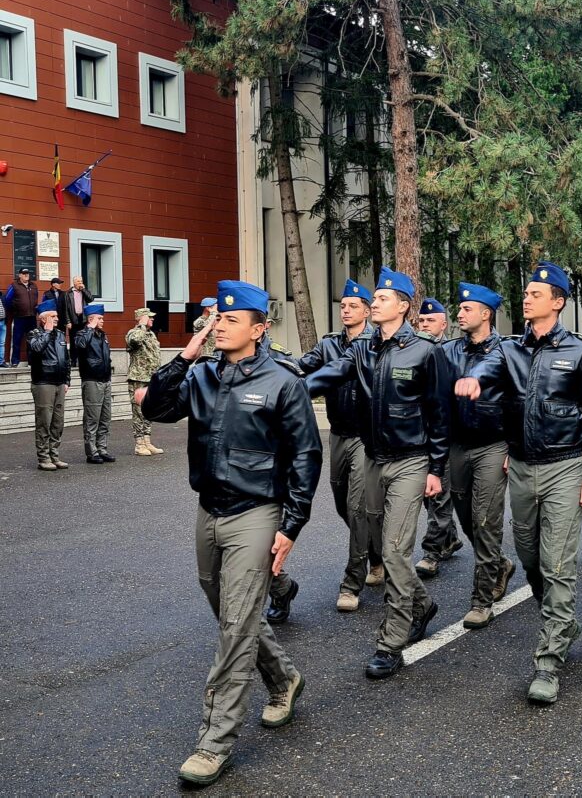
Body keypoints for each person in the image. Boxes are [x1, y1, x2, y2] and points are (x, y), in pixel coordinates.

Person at [139, 280, 322, 787]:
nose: (220, 324)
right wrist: (186, 352)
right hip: (210, 509)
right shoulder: (201, 376)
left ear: (259, 329)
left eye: (232, 319)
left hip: (257, 512)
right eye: (217, 317)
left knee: (236, 626)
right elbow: (154, 408)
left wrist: (291, 525)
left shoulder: (283, 382)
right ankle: (285, 678)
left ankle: (214, 741)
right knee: (225, 608)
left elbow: (306, 456)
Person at [455, 260, 582, 705]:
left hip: (564, 466)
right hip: (521, 466)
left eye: (536, 293)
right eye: (525, 293)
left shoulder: (580, 353)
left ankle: (548, 662)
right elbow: (488, 368)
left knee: (558, 564)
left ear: (558, 302)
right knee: (530, 558)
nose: (526, 297)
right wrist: (474, 380)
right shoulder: (509, 349)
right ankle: (563, 621)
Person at [306, 267, 450, 680]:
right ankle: (421, 603)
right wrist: (293, 389)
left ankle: (391, 641)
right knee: (370, 530)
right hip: (373, 456)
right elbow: (331, 373)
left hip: (411, 460)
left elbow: (441, 415)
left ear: (403, 306)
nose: (375, 304)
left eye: (383, 299)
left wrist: (436, 468)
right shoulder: (364, 347)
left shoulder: (425, 350)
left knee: (393, 550)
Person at [272, 279, 380, 619]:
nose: (345, 309)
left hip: (366, 437)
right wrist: (271, 366)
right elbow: (302, 366)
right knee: (340, 501)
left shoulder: (376, 344)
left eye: (352, 305)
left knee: (357, 506)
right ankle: (377, 555)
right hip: (337, 434)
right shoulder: (330, 343)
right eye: (342, 305)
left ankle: (352, 582)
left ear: (366, 311)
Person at [441, 282, 518, 629]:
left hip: (493, 445)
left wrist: (513, 448)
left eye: (467, 309)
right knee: (466, 517)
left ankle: (481, 599)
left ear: (486, 315)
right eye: (459, 308)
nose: (460, 312)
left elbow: (520, 403)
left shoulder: (506, 352)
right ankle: (500, 564)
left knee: (486, 520)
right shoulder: (447, 352)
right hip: (457, 446)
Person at [414, 298, 464, 579]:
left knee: (439, 495)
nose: (425, 325)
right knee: (428, 495)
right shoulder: (414, 350)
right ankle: (450, 537)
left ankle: (432, 552)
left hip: (444, 435)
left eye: (430, 321)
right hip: (419, 433)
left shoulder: (450, 352)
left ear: (444, 324)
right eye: (421, 321)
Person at [27, 299, 71, 470]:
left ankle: (54, 455)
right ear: (44, 319)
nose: (57, 318)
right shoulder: (34, 334)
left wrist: (67, 380)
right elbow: (36, 350)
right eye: (53, 316)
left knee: (57, 422)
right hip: (43, 382)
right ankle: (43, 457)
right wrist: (47, 332)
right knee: (44, 421)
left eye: (57, 315)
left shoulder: (60, 335)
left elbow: (66, 360)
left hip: (59, 383)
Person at [76, 304, 115, 464]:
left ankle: (102, 449)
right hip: (92, 380)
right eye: (100, 318)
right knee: (93, 419)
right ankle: (92, 452)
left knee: (105, 417)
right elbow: (80, 345)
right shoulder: (83, 334)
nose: (102, 321)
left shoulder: (102, 335)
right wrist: (89, 329)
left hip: (105, 380)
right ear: (91, 319)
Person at [126, 307, 164, 456]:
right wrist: (141, 324)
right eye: (149, 317)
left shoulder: (151, 334)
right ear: (142, 318)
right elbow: (135, 341)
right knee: (138, 411)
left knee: (150, 410)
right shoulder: (134, 333)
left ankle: (147, 440)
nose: (153, 319)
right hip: (138, 378)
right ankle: (139, 443)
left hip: (151, 378)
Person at [4, 268, 39, 366]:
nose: (26, 275)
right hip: (19, 317)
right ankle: (15, 362)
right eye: (24, 274)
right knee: (17, 340)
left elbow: (36, 298)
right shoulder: (14, 286)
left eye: (27, 273)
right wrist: (15, 309)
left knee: (32, 340)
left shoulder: (34, 285)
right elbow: (7, 300)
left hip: (31, 317)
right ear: (19, 275)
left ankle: (32, 362)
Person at [63, 276, 94, 367]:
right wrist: (68, 321)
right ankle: (73, 360)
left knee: (83, 339)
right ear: (74, 283)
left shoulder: (84, 292)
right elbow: (65, 309)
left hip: (83, 319)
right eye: (78, 281)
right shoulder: (68, 293)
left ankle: (82, 360)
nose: (80, 283)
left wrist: (84, 290)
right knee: (73, 341)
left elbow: (91, 299)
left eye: (81, 281)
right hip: (73, 319)